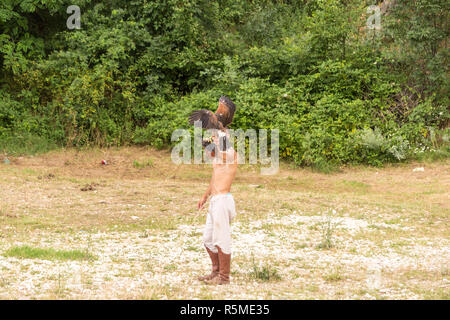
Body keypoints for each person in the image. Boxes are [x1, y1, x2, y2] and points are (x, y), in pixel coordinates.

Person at [197, 131, 238, 285]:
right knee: (208, 239)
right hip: (215, 200)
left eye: (217, 136)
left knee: (221, 239)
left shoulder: (231, 153)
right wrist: (205, 196)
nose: (214, 138)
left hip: (223, 200)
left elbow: (221, 154)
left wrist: (212, 144)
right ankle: (216, 271)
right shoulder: (217, 157)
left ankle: (224, 277)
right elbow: (214, 177)